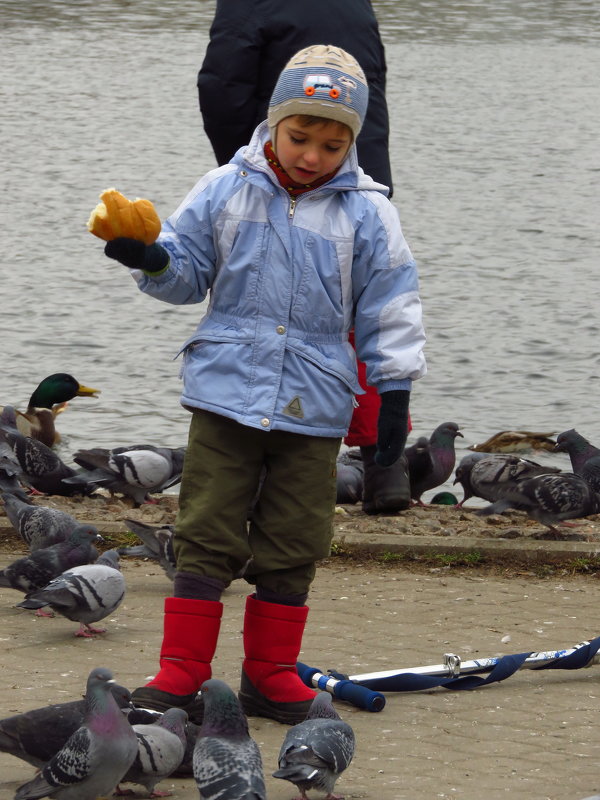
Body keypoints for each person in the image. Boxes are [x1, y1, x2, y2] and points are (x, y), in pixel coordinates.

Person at [103, 45, 427, 725]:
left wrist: (394, 390)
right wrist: (151, 258)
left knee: (295, 537)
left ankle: (271, 675)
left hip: (315, 405)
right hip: (224, 396)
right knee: (205, 530)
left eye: (332, 143)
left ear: (352, 143)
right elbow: (187, 274)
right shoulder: (224, 187)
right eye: (300, 136)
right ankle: (183, 672)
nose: (312, 154)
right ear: (274, 124)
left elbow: (390, 304)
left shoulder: (369, 214)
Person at [197, 0, 413, 514]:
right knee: (364, 309)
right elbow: (372, 85)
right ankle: (385, 464)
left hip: (282, 167)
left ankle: (255, 456)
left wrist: (246, 171)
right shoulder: (356, 4)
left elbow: (222, 87)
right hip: (356, 163)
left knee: (270, 309)